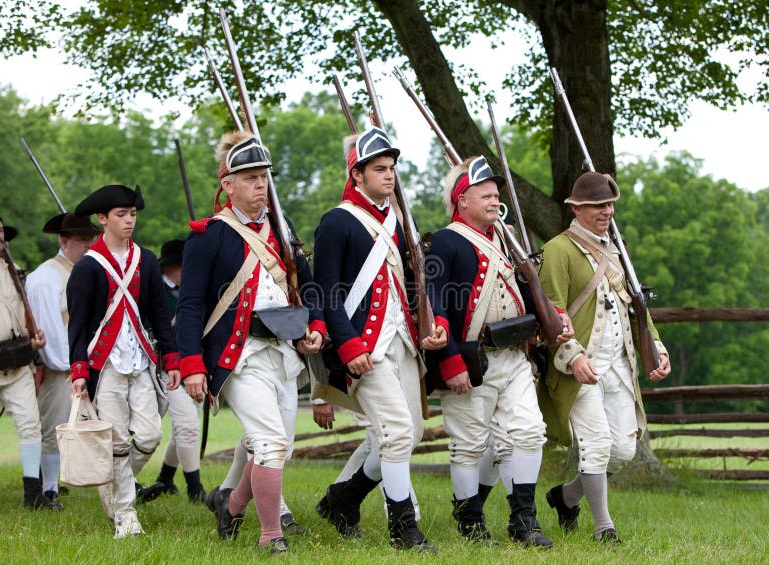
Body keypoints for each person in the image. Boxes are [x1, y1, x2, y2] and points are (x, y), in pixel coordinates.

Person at [176, 131, 324, 554]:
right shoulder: (208, 235)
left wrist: (314, 324)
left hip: (283, 353)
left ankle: (232, 503)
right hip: (238, 356)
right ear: (228, 184)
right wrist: (191, 364)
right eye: (252, 178)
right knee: (270, 442)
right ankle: (269, 535)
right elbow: (189, 306)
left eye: (265, 177)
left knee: (278, 445)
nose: (262, 185)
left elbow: (307, 287)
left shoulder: (282, 228)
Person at [425, 156, 573, 547]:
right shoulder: (443, 241)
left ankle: (524, 521)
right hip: (472, 359)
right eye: (485, 194)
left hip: (515, 357)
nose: (494, 199)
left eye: (495, 194)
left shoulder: (507, 241)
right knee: (469, 444)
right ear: (462, 200)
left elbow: (529, 292)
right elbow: (434, 303)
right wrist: (450, 361)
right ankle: (470, 523)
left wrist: (554, 316)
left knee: (528, 433)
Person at [313, 127, 447, 552]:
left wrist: (431, 323)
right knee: (393, 432)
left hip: (403, 341)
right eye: (379, 169)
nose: (389, 176)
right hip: (365, 346)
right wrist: (349, 345)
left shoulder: (398, 220)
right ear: (357, 175)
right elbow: (327, 291)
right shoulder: (337, 221)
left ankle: (343, 499)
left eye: (391, 169)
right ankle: (404, 530)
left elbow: (416, 283)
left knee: (409, 434)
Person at [537, 171, 671, 544]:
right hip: (581, 365)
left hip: (619, 365)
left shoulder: (617, 250)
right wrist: (572, 357)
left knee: (624, 449)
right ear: (576, 208)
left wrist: (656, 346)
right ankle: (604, 528)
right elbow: (552, 314)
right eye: (598, 205)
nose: (606, 211)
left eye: (610, 204)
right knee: (596, 445)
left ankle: (565, 498)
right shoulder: (558, 250)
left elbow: (637, 306)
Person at [67, 185, 181, 539]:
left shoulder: (145, 260)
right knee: (116, 442)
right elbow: (79, 323)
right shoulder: (88, 266)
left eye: (132, 214)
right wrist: (79, 370)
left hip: (141, 360)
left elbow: (160, 314)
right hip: (106, 366)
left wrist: (172, 358)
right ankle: (126, 515)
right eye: (121, 214)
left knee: (149, 435)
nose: (129, 220)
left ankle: (112, 486)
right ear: (103, 219)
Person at [0, 206, 53, 509]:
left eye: (1, 230)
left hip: (17, 364)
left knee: (32, 426)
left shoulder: (12, 271)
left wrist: (33, 341)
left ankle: (33, 494)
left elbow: (20, 316)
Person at [26, 212, 99, 508]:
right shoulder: (46, 277)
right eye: (82, 239)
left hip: (86, 363)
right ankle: (50, 487)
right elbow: (51, 328)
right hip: (61, 367)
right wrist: (68, 365)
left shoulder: (86, 269)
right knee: (54, 428)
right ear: (64, 241)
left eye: (90, 238)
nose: (88, 244)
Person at [139, 239, 206, 504]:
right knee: (187, 426)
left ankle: (166, 478)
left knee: (187, 425)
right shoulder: (154, 292)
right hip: (165, 367)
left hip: (193, 366)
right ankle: (195, 488)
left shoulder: (192, 291)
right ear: (170, 268)